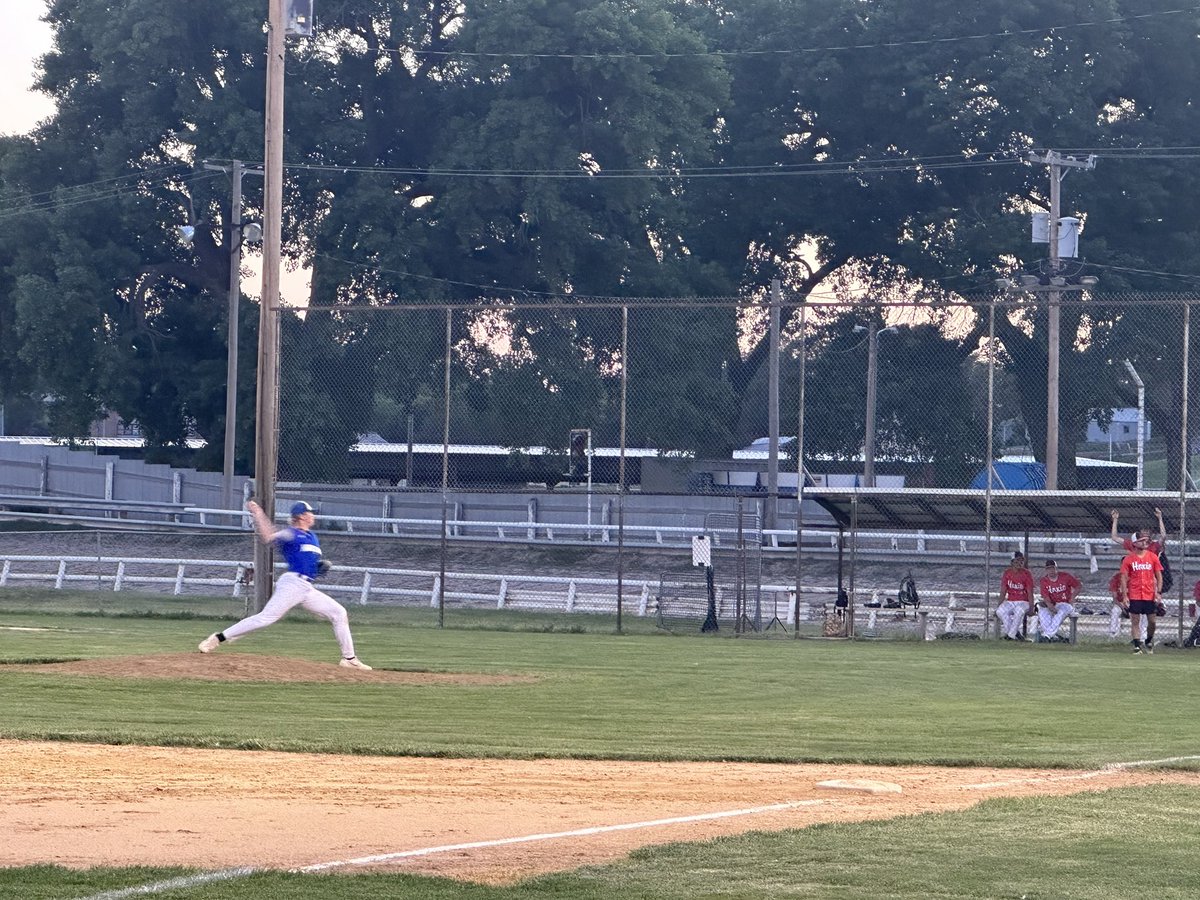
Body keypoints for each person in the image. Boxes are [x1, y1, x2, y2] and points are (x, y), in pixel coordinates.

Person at [198, 500, 372, 670]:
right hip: (292, 584)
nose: (313, 516)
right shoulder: (292, 534)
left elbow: (306, 561)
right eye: (310, 513)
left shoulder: (312, 537)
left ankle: (349, 658)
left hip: (306, 587)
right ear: (302, 516)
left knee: (339, 613)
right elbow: (268, 536)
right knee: (265, 618)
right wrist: (258, 513)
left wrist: (316, 568)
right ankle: (218, 638)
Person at [1119, 532, 1164, 655]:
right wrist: (1124, 596)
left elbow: (1159, 576)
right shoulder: (1129, 559)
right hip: (1135, 593)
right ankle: (1137, 646)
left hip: (1150, 594)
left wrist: (1158, 592)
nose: (1145, 543)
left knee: (1152, 621)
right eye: (1141, 540)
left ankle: (1149, 640)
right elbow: (1123, 578)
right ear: (1134, 543)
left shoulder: (1152, 557)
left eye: (1146, 540)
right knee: (1135, 620)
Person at [1037, 560, 1081, 643]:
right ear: (1046, 570)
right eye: (1049, 569)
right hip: (1053, 604)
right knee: (1043, 612)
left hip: (1066, 604)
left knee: (1060, 612)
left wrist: (1072, 596)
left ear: (1056, 568)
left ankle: (1047, 636)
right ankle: (1052, 637)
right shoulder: (1044, 581)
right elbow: (1045, 596)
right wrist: (1049, 605)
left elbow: (1078, 585)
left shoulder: (1065, 576)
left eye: (1053, 568)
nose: (1051, 571)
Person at [997, 552, 1035, 641]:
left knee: (1019, 611)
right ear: (1012, 562)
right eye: (1017, 560)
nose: (1020, 563)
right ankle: (1016, 634)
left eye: (1021, 561)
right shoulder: (1007, 573)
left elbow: (1030, 592)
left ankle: (1011, 636)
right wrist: (999, 605)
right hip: (1011, 600)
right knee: (1000, 611)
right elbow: (1003, 591)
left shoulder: (1026, 573)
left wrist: (1031, 607)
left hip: (1024, 601)